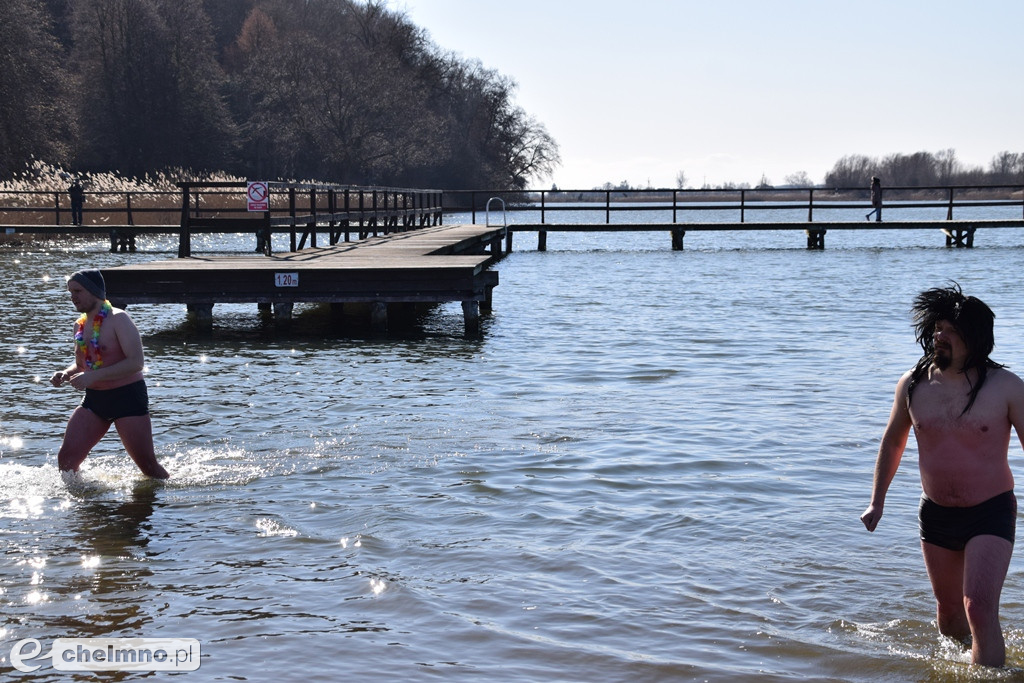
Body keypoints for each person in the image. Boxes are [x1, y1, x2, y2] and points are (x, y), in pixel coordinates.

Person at [861, 284, 1024, 667]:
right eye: (937, 328)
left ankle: (988, 668)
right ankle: (983, 658)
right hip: (935, 514)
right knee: (950, 618)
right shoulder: (913, 384)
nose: (939, 336)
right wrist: (877, 501)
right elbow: (892, 443)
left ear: (974, 337)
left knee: (979, 608)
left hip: (990, 511)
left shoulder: (1007, 387)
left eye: (949, 330)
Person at [50, 269, 169, 479]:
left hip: (127, 398)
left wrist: (92, 377)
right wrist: (66, 373)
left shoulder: (118, 319)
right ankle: (85, 505)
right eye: (70, 292)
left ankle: (172, 504)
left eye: (78, 291)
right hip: (95, 400)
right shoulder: (79, 326)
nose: (72, 297)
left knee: (148, 468)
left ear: (95, 291)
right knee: (67, 460)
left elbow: (136, 363)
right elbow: (82, 365)